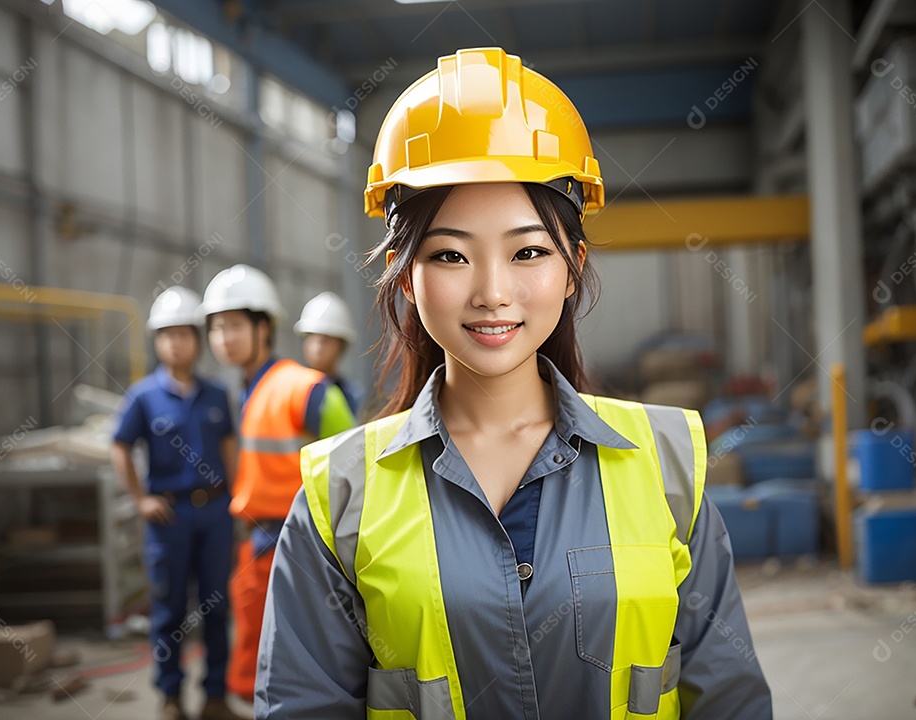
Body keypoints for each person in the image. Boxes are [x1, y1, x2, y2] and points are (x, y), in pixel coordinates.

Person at [254, 48, 773, 719]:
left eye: (528, 251)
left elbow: (727, 697)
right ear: (406, 274)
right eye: (449, 254)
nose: (492, 292)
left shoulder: (666, 462)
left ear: (572, 265)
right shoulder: (340, 495)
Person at [200, 264, 357, 707]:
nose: (223, 338)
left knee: (281, 648)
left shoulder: (300, 387)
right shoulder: (250, 388)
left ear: (263, 327)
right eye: (216, 327)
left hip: (287, 539)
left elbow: (353, 462)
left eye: (234, 325)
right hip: (262, 537)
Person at [110, 286, 237, 720]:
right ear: (156, 341)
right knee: (168, 609)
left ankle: (215, 696)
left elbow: (230, 448)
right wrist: (141, 499)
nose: (175, 342)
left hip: (216, 512)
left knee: (218, 604)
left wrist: (236, 499)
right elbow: (120, 447)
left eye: (184, 334)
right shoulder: (142, 397)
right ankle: (170, 697)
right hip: (169, 516)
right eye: (166, 335)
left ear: (197, 340)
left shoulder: (217, 395)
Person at [294, 291, 367, 418]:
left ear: (341, 346)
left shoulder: (353, 396)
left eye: (325, 340)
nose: (317, 346)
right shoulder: (291, 388)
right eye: (311, 337)